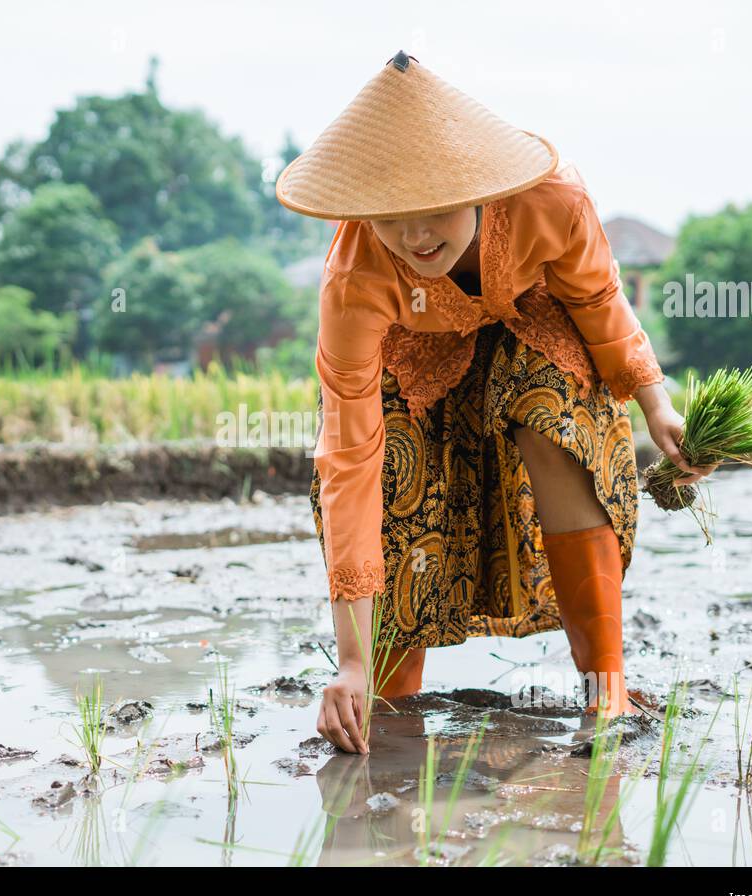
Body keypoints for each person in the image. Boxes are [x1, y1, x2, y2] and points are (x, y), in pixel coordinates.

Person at [275, 51, 715, 755]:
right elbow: (349, 458)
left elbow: (598, 300)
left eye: (437, 212)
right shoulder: (353, 280)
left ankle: (607, 683)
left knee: (550, 411)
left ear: (480, 190)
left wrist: (656, 403)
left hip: (534, 332)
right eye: (392, 219)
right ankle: (383, 698)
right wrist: (348, 662)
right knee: (396, 473)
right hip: (418, 360)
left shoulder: (553, 200)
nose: (416, 238)